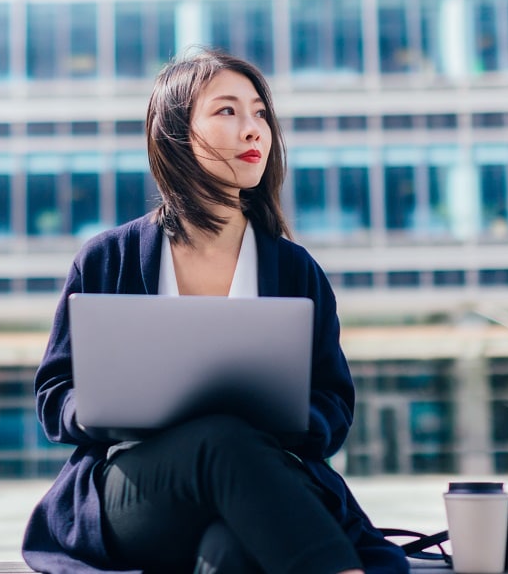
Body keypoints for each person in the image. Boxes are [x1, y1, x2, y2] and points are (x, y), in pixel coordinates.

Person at [21, 48, 408, 574]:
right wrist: (94, 407)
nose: (254, 131)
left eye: (260, 113)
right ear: (176, 132)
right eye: (227, 111)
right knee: (219, 438)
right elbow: (54, 395)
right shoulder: (107, 258)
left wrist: (294, 420)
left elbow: (334, 404)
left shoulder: (295, 270)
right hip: (138, 491)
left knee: (231, 548)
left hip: (260, 478)